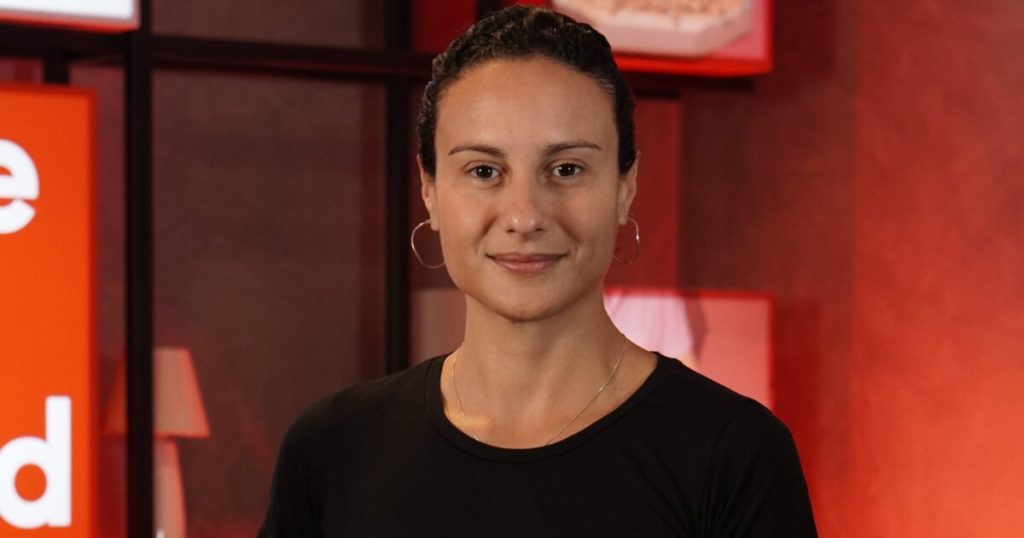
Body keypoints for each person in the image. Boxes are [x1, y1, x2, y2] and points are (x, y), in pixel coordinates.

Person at [259, 5, 816, 537]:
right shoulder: (333, 449)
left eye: (566, 169)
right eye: (484, 171)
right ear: (429, 189)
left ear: (625, 188)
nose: (525, 216)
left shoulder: (731, 454)